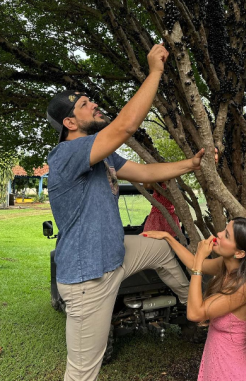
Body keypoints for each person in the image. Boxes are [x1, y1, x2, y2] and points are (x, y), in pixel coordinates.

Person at [46, 44, 216, 381]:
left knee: (163, 249)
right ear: (69, 122)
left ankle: (198, 311)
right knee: (82, 372)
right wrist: (154, 71)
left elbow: (145, 173)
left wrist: (192, 164)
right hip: (87, 278)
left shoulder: (102, 157)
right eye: (84, 104)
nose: (94, 104)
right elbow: (124, 128)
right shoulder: (66, 154)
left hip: (115, 255)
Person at [142, 217, 246, 381]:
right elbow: (193, 263)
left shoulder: (242, 288)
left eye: (226, 235)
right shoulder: (227, 266)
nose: (218, 234)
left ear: (239, 253)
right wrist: (168, 237)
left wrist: (199, 260)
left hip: (232, 374)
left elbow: (195, 313)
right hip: (218, 367)